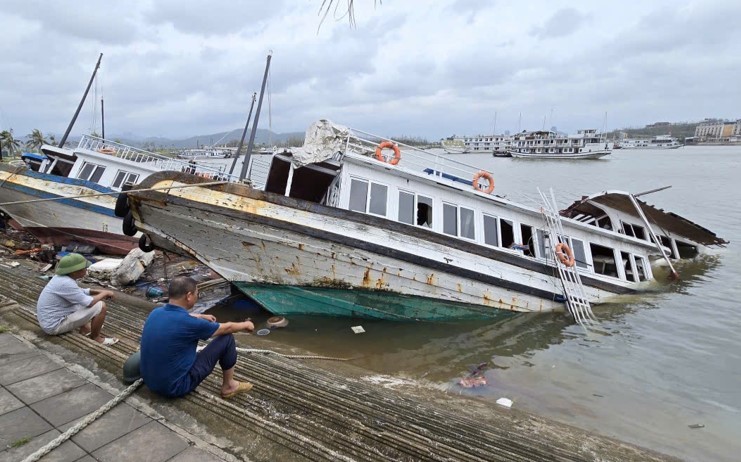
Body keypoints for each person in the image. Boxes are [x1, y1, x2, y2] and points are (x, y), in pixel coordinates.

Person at [140, 276, 255, 399]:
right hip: (175, 387)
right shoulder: (190, 324)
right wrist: (246, 324)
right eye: (197, 294)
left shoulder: (156, 312)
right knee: (227, 339)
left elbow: (178, 316)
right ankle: (229, 386)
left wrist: (200, 316)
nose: (197, 296)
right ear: (189, 296)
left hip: (150, 381)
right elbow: (227, 328)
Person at [36, 253, 118, 345]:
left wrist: (99, 291)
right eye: (84, 268)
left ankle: (85, 329)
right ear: (74, 271)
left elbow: (80, 292)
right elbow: (89, 302)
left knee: (78, 302)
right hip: (54, 326)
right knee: (100, 306)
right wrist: (105, 293)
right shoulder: (66, 283)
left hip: (49, 322)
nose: (86, 270)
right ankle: (96, 338)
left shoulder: (60, 278)